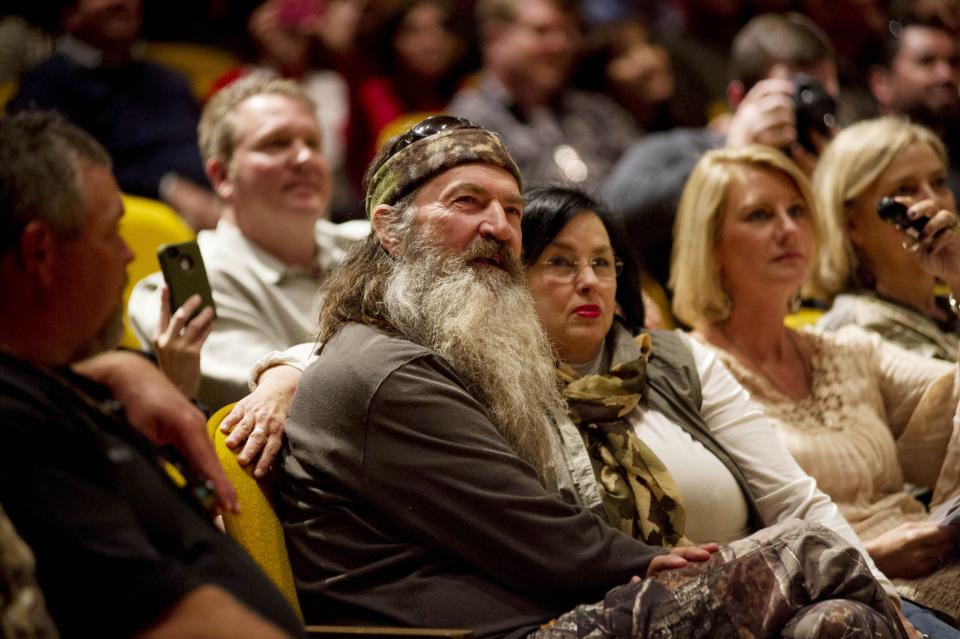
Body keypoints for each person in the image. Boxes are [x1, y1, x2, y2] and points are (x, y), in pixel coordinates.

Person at [272, 114, 909, 637]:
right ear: (388, 227)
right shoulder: (383, 369)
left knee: (839, 623)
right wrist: (657, 561)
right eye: (467, 202)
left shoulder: (420, 353)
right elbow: (527, 527)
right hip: (504, 631)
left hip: (541, 614)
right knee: (803, 553)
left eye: (513, 211)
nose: (497, 227)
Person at [0, 111, 304, 637]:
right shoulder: (18, 426)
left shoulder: (69, 379)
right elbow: (160, 618)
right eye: (111, 232)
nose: (128, 254)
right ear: (41, 253)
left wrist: (123, 369)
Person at [671, 143, 960, 624]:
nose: (788, 229)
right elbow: (717, 532)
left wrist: (958, 280)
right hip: (845, 599)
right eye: (760, 215)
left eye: (798, 211)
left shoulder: (847, 349)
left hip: (941, 568)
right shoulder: (691, 369)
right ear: (713, 247)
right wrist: (868, 554)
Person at [128, 73, 368, 412]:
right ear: (222, 176)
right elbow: (312, 402)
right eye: (276, 143)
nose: (304, 159)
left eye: (313, 143)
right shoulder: (183, 297)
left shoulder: (370, 243)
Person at [603, 11, 838, 287]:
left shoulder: (838, 155)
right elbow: (613, 218)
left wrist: (835, 175)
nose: (810, 108)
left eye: (823, 96)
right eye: (794, 94)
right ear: (740, 99)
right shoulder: (682, 150)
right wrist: (732, 153)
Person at [6, 0, 218, 229]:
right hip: (132, 222)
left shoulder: (170, 80)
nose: (121, 2)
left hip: (217, 207)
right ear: (70, 16)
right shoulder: (46, 84)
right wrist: (166, 186)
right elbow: (62, 173)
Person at [447, 0, 638, 193]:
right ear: (494, 38)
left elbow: (646, 175)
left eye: (567, 32)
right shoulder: (469, 124)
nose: (561, 45)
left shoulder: (596, 110)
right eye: (542, 31)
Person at [815, 117, 960, 361]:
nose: (934, 201)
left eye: (939, 183)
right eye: (905, 189)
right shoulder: (853, 329)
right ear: (852, 225)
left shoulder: (948, 304)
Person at [867, 11, 960, 195]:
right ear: (882, 83)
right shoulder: (858, 161)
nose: (946, 75)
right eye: (927, 61)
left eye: (953, 63)